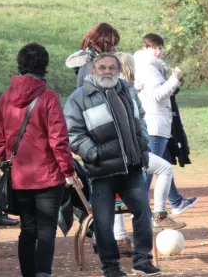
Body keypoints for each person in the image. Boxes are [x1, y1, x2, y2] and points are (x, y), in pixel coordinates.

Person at [64, 53, 161, 277]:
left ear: (118, 70)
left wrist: (143, 142)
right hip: (101, 171)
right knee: (103, 222)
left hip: (132, 167)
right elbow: (72, 133)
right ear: (93, 70)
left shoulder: (127, 90)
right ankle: (111, 267)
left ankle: (143, 260)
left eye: (111, 67)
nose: (107, 71)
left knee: (143, 213)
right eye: (102, 67)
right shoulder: (79, 98)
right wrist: (94, 153)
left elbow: (141, 119)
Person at [0, 42, 75, 277]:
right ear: (44, 66)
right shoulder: (48, 97)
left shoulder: (6, 97)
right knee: (47, 229)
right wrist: (67, 169)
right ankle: (42, 273)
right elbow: (58, 139)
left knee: (28, 229)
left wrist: (6, 157)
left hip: (20, 174)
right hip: (48, 175)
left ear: (20, 65)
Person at [112, 52, 186, 251]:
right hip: (128, 153)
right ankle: (160, 214)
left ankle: (120, 237)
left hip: (108, 157)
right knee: (164, 169)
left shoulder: (111, 88)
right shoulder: (126, 90)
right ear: (128, 69)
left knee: (116, 187)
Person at [134, 33, 197, 215]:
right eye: (154, 48)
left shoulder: (151, 65)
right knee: (150, 168)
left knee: (165, 162)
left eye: (160, 48)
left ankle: (176, 201)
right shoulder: (148, 67)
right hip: (154, 123)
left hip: (159, 122)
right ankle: (140, 208)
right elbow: (157, 95)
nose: (158, 51)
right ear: (145, 48)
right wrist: (175, 78)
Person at [65, 22, 120, 87]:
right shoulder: (89, 62)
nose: (114, 49)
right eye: (111, 45)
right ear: (101, 42)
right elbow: (88, 89)